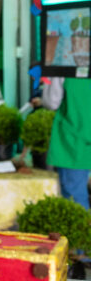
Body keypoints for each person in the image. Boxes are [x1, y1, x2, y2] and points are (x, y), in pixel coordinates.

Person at [43, 77, 91, 210]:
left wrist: (48, 77)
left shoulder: (63, 65)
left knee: (75, 201)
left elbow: (51, 102)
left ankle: (82, 230)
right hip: (78, 140)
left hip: (74, 141)